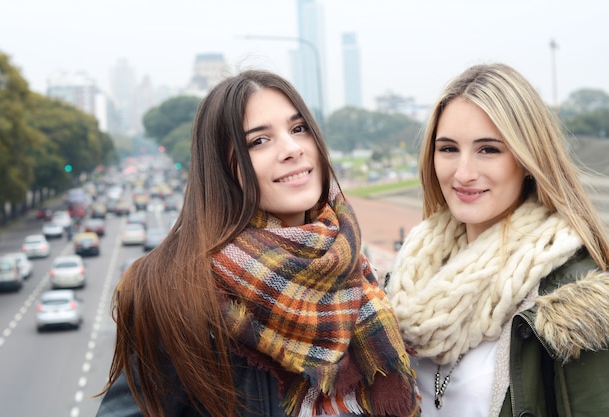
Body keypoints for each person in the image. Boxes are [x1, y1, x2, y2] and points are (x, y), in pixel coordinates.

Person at [96, 69, 420, 417]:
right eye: (259, 141)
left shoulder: (349, 261)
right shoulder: (183, 294)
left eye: (298, 129)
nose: (292, 149)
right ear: (222, 167)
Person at [386, 62, 609, 416]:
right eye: (447, 149)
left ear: (527, 159)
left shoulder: (575, 298)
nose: (463, 173)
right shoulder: (399, 285)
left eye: (488, 149)